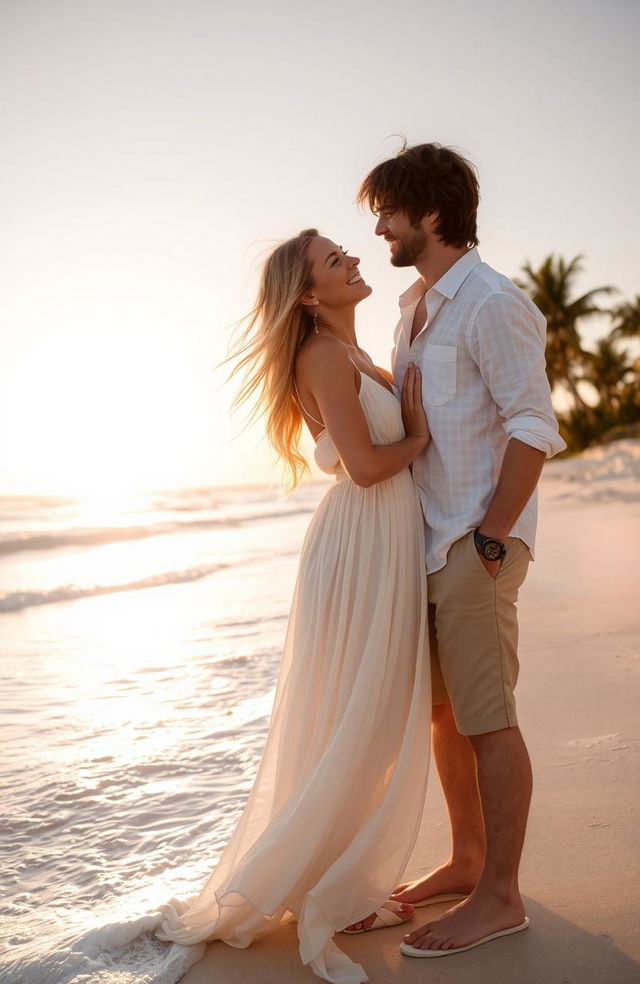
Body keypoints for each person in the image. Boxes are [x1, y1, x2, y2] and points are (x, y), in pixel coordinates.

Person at [154, 230, 433, 984]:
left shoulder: (353, 353)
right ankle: (330, 888)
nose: (351, 261)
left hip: (377, 541)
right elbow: (370, 469)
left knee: (365, 714)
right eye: (333, 261)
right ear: (309, 295)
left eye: (346, 250)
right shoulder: (321, 354)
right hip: (363, 538)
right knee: (359, 714)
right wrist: (419, 435)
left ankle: (334, 877)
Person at [356, 143, 566, 958]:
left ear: (432, 213)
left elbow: (533, 427)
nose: (379, 227)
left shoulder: (491, 302)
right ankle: (469, 860)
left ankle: (501, 897)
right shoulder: (413, 306)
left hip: (473, 543)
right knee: (447, 717)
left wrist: (490, 537)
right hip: (429, 542)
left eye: (389, 211)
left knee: (488, 722)